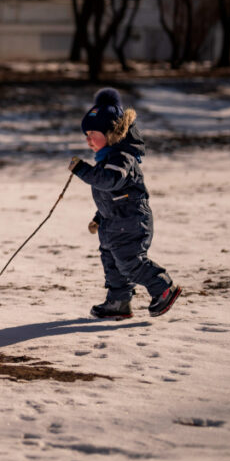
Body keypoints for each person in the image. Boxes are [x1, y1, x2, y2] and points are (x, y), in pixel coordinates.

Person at [69, 87, 181, 319]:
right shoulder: (106, 159)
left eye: (93, 133)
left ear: (111, 133)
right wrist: (99, 218)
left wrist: (82, 170)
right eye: (86, 134)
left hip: (131, 221)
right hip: (113, 221)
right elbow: (109, 196)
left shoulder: (122, 158)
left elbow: (110, 182)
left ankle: (164, 288)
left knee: (130, 261)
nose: (88, 139)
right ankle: (119, 301)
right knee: (111, 261)